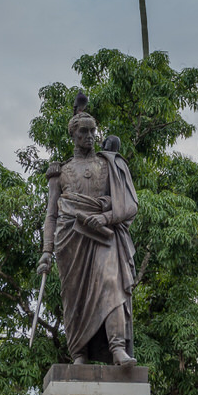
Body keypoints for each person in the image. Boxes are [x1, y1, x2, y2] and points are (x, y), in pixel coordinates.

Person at [36, 93, 139, 366]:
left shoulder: (110, 164)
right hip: (71, 241)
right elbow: (52, 214)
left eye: (93, 131)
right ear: (74, 135)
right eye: (84, 131)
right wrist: (46, 251)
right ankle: (79, 353)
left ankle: (118, 348)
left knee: (111, 284)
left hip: (105, 237)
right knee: (75, 300)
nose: (90, 136)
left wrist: (106, 217)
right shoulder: (61, 172)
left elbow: (129, 205)